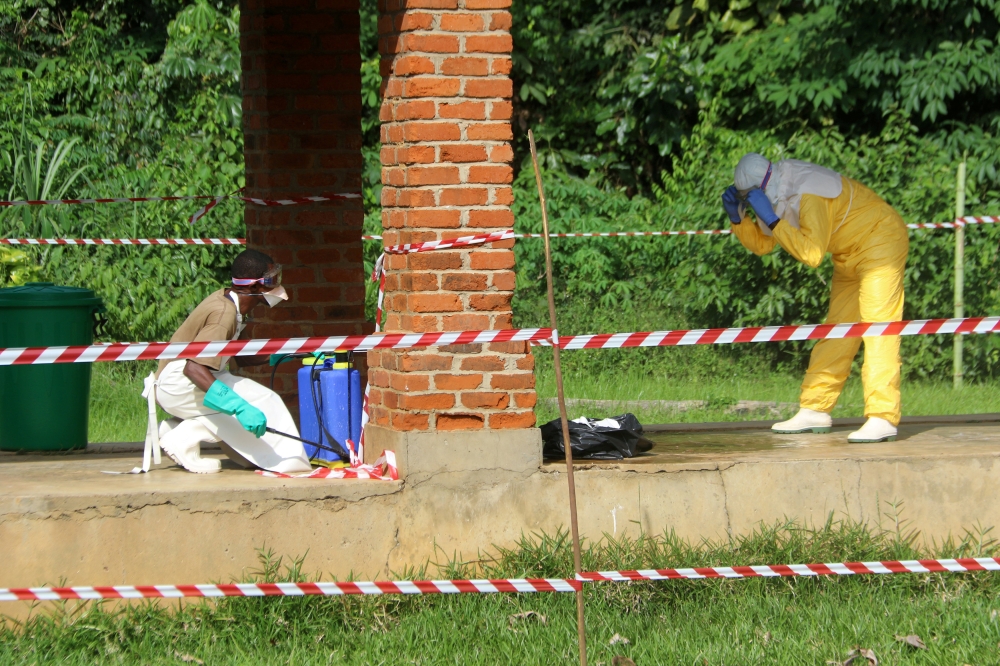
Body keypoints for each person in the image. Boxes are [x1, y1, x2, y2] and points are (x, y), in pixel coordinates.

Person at [722, 153, 909, 443]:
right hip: (848, 252)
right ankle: (815, 408)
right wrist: (738, 219)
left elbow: (811, 254)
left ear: (762, 186)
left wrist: (771, 219)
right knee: (838, 330)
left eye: (749, 197)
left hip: (880, 239)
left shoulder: (809, 191)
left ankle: (883, 416)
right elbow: (763, 245)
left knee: (878, 328)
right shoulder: (778, 191)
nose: (749, 201)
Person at [142, 249, 312, 473]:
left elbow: (241, 356)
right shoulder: (225, 314)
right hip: (179, 382)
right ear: (252, 286)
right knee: (263, 400)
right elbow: (193, 367)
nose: (276, 286)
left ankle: (178, 428)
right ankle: (183, 438)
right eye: (271, 280)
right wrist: (239, 407)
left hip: (187, 380)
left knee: (251, 415)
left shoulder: (234, 307)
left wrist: (285, 353)